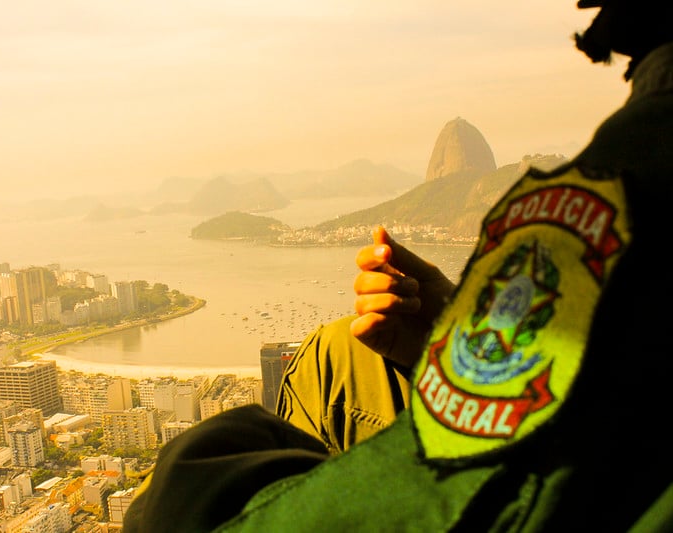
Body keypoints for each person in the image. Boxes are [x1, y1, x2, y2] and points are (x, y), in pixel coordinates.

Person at [124, 1, 673, 530]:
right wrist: (447, 334)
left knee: (314, 370)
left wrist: (183, 479)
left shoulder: (639, 163)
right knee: (341, 348)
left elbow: (494, 482)